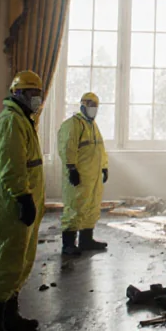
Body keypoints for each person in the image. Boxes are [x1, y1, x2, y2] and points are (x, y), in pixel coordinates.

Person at [0, 70, 46, 331]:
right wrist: (22, 197)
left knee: (18, 262)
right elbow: (11, 166)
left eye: (37, 94)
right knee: (4, 264)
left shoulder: (22, 121)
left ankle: (10, 316)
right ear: (17, 94)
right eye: (32, 94)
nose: (36, 99)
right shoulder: (9, 123)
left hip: (18, 202)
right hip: (9, 206)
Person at [58, 92, 109, 256]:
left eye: (95, 106)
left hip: (93, 177)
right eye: (90, 105)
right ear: (82, 106)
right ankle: (68, 244)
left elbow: (99, 149)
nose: (93, 109)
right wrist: (71, 168)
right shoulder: (73, 124)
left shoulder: (92, 126)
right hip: (79, 176)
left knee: (92, 208)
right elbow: (67, 147)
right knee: (75, 208)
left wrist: (104, 167)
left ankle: (86, 240)